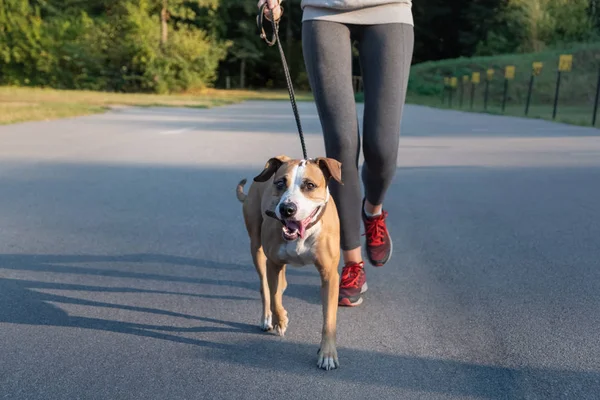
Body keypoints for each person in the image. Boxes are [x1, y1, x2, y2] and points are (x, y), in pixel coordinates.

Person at [259, 0, 414, 307]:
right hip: (323, 10)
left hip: (390, 8)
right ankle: (352, 262)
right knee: (341, 147)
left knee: (382, 147)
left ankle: (373, 211)